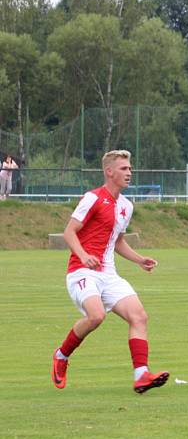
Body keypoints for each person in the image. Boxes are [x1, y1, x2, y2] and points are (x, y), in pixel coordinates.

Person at [51, 150, 169, 394]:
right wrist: (83, 255)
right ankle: (61, 355)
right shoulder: (92, 198)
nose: (129, 172)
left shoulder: (127, 206)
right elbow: (69, 232)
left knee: (139, 317)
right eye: (124, 169)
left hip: (109, 275)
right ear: (109, 172)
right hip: (81, 272)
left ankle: (141, 375)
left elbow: (117, 242)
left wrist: (139, 260)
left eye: (130, 168)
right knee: (96, 317)